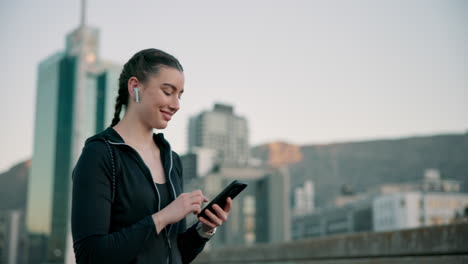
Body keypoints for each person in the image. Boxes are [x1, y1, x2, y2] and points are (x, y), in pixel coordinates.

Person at [71, 48, 231, 264]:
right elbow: (90, 255)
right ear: (135, 86)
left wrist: (204, 230)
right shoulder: (101, 154)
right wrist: (163, 217)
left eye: (180, 95)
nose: (176, 105)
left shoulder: (173, 160)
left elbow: (174, 253)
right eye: (168, 92)